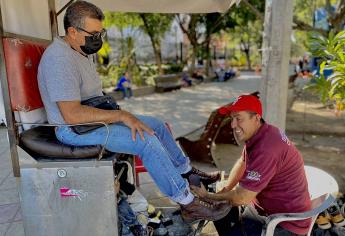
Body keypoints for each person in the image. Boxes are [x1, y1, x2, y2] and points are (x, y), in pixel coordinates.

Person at [37, 1, 230, 223]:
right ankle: (188, 203)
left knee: (156, 125)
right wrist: (121, 116)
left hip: (91, 118)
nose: (98, 39)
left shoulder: (79, 49)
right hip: (72, 129)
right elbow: (71, 115)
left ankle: (187, 173)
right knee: (145, 140)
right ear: (72, 31)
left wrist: (119, 114)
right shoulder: (59, 59)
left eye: (101, 33)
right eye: (94, 34)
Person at [191, 93, 312, 235]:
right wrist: (226, 189)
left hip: (285, 224)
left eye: (238, 119)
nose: (233, 124)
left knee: (220, 209)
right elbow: (242, 162)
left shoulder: (266, 149)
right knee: (223, 202)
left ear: (256, 118)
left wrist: (208, 196)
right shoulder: (263, 133)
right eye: (232, 118)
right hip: (272, 210)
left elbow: (242, 198)